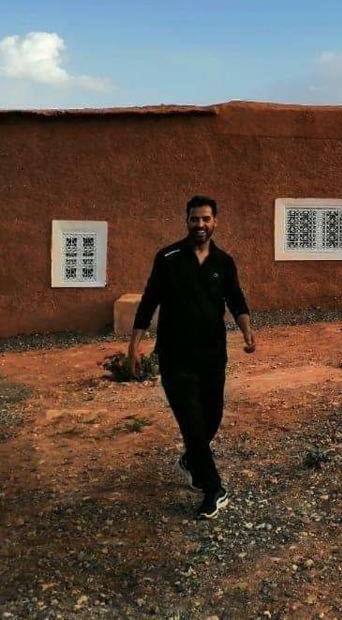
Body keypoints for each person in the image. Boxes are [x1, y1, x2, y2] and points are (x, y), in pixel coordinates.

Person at [127, 195, 256, 520]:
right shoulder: (168, 258)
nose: (200, 224)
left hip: (213, 355)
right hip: (175, 355)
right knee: (192, 423)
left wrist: (247, 331)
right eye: (194, 219)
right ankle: (214, 489)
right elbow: (149, 301)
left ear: (215, 222)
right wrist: (134, 346)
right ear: (186, 221)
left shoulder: (224, 263)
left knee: (211, 417)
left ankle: (192, 460)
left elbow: (235, 299)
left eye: (206, 219)